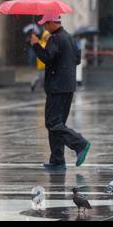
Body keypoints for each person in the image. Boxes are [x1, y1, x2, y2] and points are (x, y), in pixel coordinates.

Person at [30, 13, 91, 172]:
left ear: (51, 23)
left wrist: (36, 45)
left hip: (57, 87)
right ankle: (57, 161)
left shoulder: (55, 38)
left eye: (45, 24)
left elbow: (48, 58)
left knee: (52, 123)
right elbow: (76, 59)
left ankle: (80, 143)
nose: (45, 27)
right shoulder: (70, 38)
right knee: (57, 124)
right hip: (68, 86)